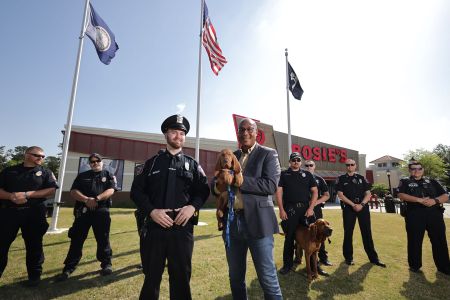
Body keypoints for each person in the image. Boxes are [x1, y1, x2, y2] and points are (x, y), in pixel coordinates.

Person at [131, 114, 210, 300]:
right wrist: (151, 211)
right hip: (154, 228)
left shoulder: (192, 165)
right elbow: (136, 192)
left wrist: (192, 207)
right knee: (151, 278)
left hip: (182, 230)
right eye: (174, 132)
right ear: (166, 134)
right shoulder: (151, 164)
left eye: (182, 133)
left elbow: (203, 191)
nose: (178, 136)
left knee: (182, 279)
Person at [214, 118, 283, 300]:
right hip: (232, 222)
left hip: (258, 222)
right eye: (241, 130)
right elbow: (218, 183)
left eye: (249, 129)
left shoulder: (269, 154)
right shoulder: (230, 155)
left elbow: (269, 185)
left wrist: (239, 179)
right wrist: (216, 186)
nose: (245, 133)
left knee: (267, 278)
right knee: (235, 277)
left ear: (256, 132)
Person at [0, 146, 58, 286]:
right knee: (2, 244)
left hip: (34, 213)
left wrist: (27, 194)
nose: (41, 158)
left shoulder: (45, 172)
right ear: (26, 155)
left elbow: (51, 189)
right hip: (9, 213)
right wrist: (11, 196)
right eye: (37, 155)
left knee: (34, 246)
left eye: (43, 156)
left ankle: (34, 277)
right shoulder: (10, 171)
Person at [57, 153, 117, 281]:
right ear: (89, 163)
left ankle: (106, 264)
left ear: (102, 162)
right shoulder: (82, 176)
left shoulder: (108, 175)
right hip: (83, 211)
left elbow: (111, 190)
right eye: (92, 162)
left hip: (101, 211)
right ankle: (69, 268)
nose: (95, 163)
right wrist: (86, 200)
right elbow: (73, 191)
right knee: (77, 239)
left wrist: (96, 199)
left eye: (97, 161)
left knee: (103, 238)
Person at [397, 159, 450, 275]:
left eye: (419, 168)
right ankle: (414, 266)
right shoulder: (405, 181)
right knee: (414, 241)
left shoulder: (432, 181)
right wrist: (419, 200)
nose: (417, 171)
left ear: (423, 170)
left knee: (439, 240)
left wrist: (434, 200)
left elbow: (445, 195)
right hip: (414, 215)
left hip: (434, 214)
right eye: (413, 169)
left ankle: (444, 267)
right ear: (410, 170)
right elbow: (401, 195)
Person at [336, 158, 386, 267]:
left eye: (352, 164)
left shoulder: (362, 178)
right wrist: (353, 205)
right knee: (348, 232)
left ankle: (374, 258)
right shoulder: (341, 178)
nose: (350, 166)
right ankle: (348, 258)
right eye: (347, 165)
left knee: (367, 232)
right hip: (349, 208)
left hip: (363, 207)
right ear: (346, 166)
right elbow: (340, 195)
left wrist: (361, 205)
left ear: (355, 166)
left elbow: (368, 194)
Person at [276, 154, 318, 276]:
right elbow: (278, 192)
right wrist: (281, 210)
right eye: (293, 160)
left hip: (306, 210)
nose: (296, 162)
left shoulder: (308, 174)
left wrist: (311, 208)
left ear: (301, 162)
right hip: (290, 210)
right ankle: (287, 265)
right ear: (290, 161)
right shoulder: (284, 174)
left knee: (312, 236)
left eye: (298, 160)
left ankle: (313, 266)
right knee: (289, 237)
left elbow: (315, 192)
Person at [304, 159, 332, 272]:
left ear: (314, 167)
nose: (308, 167)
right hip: (303, 210)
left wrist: (315, 202)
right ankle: (308, 262)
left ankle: (323, 258)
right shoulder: (300, 178)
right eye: (306, 165)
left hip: (316, 210)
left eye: (311, 165)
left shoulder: (319, 179)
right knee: (306, 235)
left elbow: (327, 195)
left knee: (321, 233)